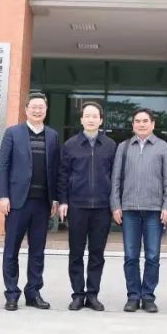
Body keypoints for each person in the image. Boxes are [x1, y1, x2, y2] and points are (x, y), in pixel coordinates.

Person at [0, 92, 60, 311]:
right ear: (26, 109)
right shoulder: (12, 133)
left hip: (42, 203)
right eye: (33, 107)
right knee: (11, 250)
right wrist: (3, 195)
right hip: (17, 202)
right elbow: (3, 166)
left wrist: (55, 198)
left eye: (41, 107)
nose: (37, 110)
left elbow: (56, 169)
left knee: (37, 251)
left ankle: (33, 292)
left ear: (46, 110)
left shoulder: (52, 135)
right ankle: (11, 294)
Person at [110, 108, 167, 313]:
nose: (141, 124)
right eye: (137, 121)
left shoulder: (164, 148)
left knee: (152, 256)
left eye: (145, 121)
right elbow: (115, 179)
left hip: (155, 211)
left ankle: (148, 296)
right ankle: (132, 296)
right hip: (129, 210)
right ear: (133, 125)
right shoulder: (123, 147)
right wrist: (115, 205)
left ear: (153, 124)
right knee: (130, 256)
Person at [57, 101, 116, 311]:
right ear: (81, 119)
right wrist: (63, 201)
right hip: (77, 206)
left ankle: (92, 295)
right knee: (76, 252)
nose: (91, 119)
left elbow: (115, 176)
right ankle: (77, 294)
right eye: (87, 116)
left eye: (95, 116)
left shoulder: (110, 145)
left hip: (102, 207)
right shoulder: (70, 145)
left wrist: (115, 204)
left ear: (101, 120)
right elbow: (63, 175)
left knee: (97, 253)